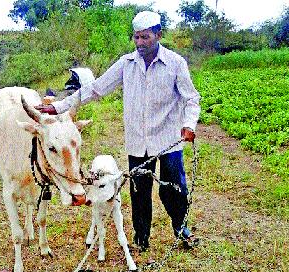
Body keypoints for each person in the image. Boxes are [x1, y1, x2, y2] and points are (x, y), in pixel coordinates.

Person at [35, 11, 201, 251]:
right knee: (139, 190)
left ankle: (181, 228)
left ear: (159, 35)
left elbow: (191, 99)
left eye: (145, 37)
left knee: (173, 188)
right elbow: (95, 88)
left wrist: (189, 125)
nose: (140, 43)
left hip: (169, 140)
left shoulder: (175, 63)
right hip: (137, 142)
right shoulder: (127, 64)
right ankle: (141, 237)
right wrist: (58, 106)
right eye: (136, 37)